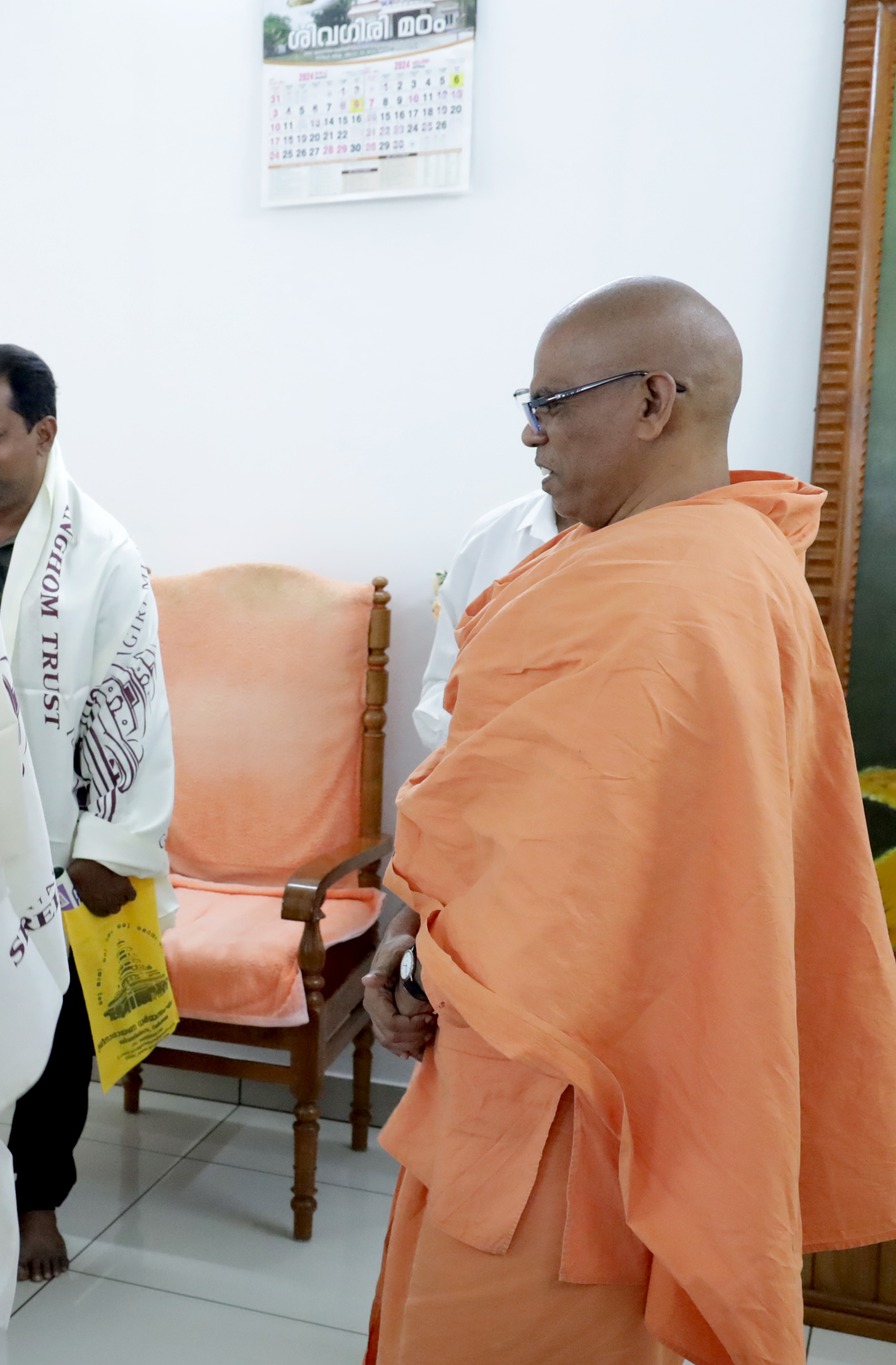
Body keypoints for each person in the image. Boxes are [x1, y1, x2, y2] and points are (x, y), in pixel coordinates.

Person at [361, 277, 896, 1365]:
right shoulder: (680, 560)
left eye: (550, 404)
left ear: (653, 400)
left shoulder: (680, 593)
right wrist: (406, 931)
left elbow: (574, 890)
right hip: (528, 1046)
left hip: (574, 1080)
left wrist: (422, 956)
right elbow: (501, 808)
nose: (531, 433)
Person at [0, 343, 175, 1282]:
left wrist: (110, 844)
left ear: (43, 433)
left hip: (60, 838)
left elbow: (132, 701)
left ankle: (37, 1196)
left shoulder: (103, 553)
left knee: (56, 1025)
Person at [411, 490, 566, 750]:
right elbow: (440, 689)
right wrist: (483, 745)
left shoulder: (640, 549)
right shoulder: (493, 533)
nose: (530, 446)